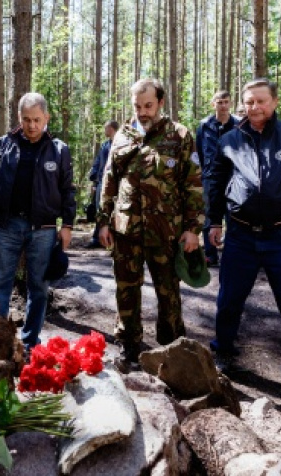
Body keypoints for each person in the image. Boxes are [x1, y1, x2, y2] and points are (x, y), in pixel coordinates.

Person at [205, 78, 281, 402]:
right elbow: (215, 182)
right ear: (242, 105)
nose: (255, 107)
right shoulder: (229, 140)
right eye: (249, 102)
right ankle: (222, 355)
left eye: (261, 101)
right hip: (240, 235)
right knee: (229, 301)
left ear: (274, 102)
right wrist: (212, 222)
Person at [97, 78, 204, 372]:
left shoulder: (179, 135)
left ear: (160, 103)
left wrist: (193, 229)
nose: (143, 111)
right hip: (125, 230)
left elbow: (193, 185)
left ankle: (171, 349)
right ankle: (129, 344)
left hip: (165, 231)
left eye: (148, 105)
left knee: (168, 291)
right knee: (126, 289)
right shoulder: (122, 136)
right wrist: (103, 221)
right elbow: (109, 181)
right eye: (137, 106)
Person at [0, 92, 76, 353]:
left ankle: (30, 342)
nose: (31, 126)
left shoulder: (59, 149)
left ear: (46, 118)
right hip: (7, 226)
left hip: (43, 230)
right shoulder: (3, 145)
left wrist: (67, 225)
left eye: (36, 120)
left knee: (39, 288)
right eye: (26, 120)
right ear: (19, 118)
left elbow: (67, 189)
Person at [195, 90, 238, 266]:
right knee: (209, 216)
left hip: (233, 177)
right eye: (219, 102)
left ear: (230, 103)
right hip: (210, 177)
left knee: (232, 215)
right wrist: (203, 172)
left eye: (226, 102)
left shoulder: (238, 124)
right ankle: (210, 254)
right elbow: (198, 151)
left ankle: (231, 254)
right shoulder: (204, 126)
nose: (223, 105)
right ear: (213, 104)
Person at [86, 120, 119, 248]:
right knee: (99, 209)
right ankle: (97, 237)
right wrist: (94, 180)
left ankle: (111, 238)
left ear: (111, 128)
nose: (105, 131)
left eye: (106, 128)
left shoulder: (121, 144)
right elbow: (98, 163)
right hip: (101, 182)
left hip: (115, 184)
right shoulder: (105, 145)